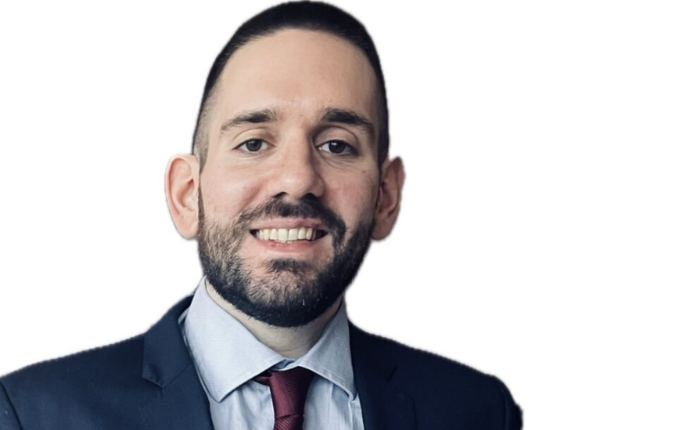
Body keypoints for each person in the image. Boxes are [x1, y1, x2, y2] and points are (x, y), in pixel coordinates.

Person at [0, 2, 522, 429]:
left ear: (386, 197)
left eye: (337, 145)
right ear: (187, 195)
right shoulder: (32, 414)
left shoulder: (476, 412)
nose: (297, 178)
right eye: (253, 143)